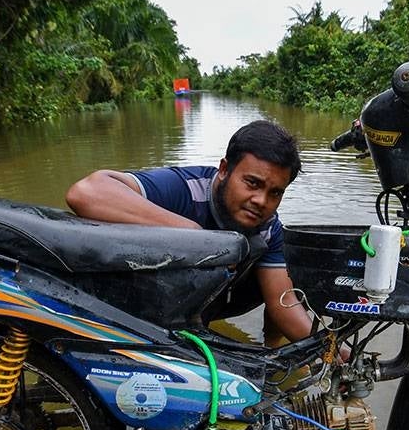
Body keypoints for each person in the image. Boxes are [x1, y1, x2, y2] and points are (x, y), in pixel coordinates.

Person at [65, 119, 312, 346]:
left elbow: (284, 303)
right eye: (252, 183)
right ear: (224, 169)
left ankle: (271, 351)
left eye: (275, 193)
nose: (261, 201)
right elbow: (87, 192)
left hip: (217, 299)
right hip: (153, 299)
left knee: (300, 270)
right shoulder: (184, 189)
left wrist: (335, 353)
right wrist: (195, 237)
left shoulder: (269, 226)